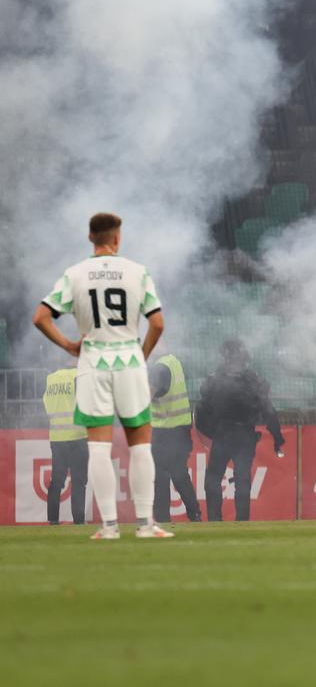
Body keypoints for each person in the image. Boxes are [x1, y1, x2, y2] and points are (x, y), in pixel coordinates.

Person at [31, 212, 173, 539]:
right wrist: (141, 355)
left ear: (90, 238)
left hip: (93, 362)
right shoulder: (137, 272)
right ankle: (145, 525)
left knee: (97, 448)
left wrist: (69, 345)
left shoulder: (75, 274)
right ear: (117, 238)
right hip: (128, 360)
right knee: (140, 445)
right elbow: (158, 324)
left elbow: (40, 317)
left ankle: (108, 526)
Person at [194, 340, 285, 522]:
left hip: (222, 434)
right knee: (242, 479)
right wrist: (277, 437)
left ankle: (214, 521)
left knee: (213, 479)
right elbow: (268, 410)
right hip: (244, 436)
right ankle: (242, 522)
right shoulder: (254, 380)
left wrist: (211, 434)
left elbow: (202, 410)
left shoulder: (214, 379)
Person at [149, 352, 201, 523]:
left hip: (165, 431)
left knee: (161, 476)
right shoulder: (174, 362)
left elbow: (153, 393)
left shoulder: (159, 368)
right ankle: (195, 513)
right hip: (181, 429)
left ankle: (163, 518)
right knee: (179, 474)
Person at [42, 367, 89, 525]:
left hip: (57, 437)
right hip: (77, 436)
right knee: (78, 481)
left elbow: (47, 407)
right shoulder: (78, 375)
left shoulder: (51, 379)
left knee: (56, 480)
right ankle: (78, 521)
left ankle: (53, 520)